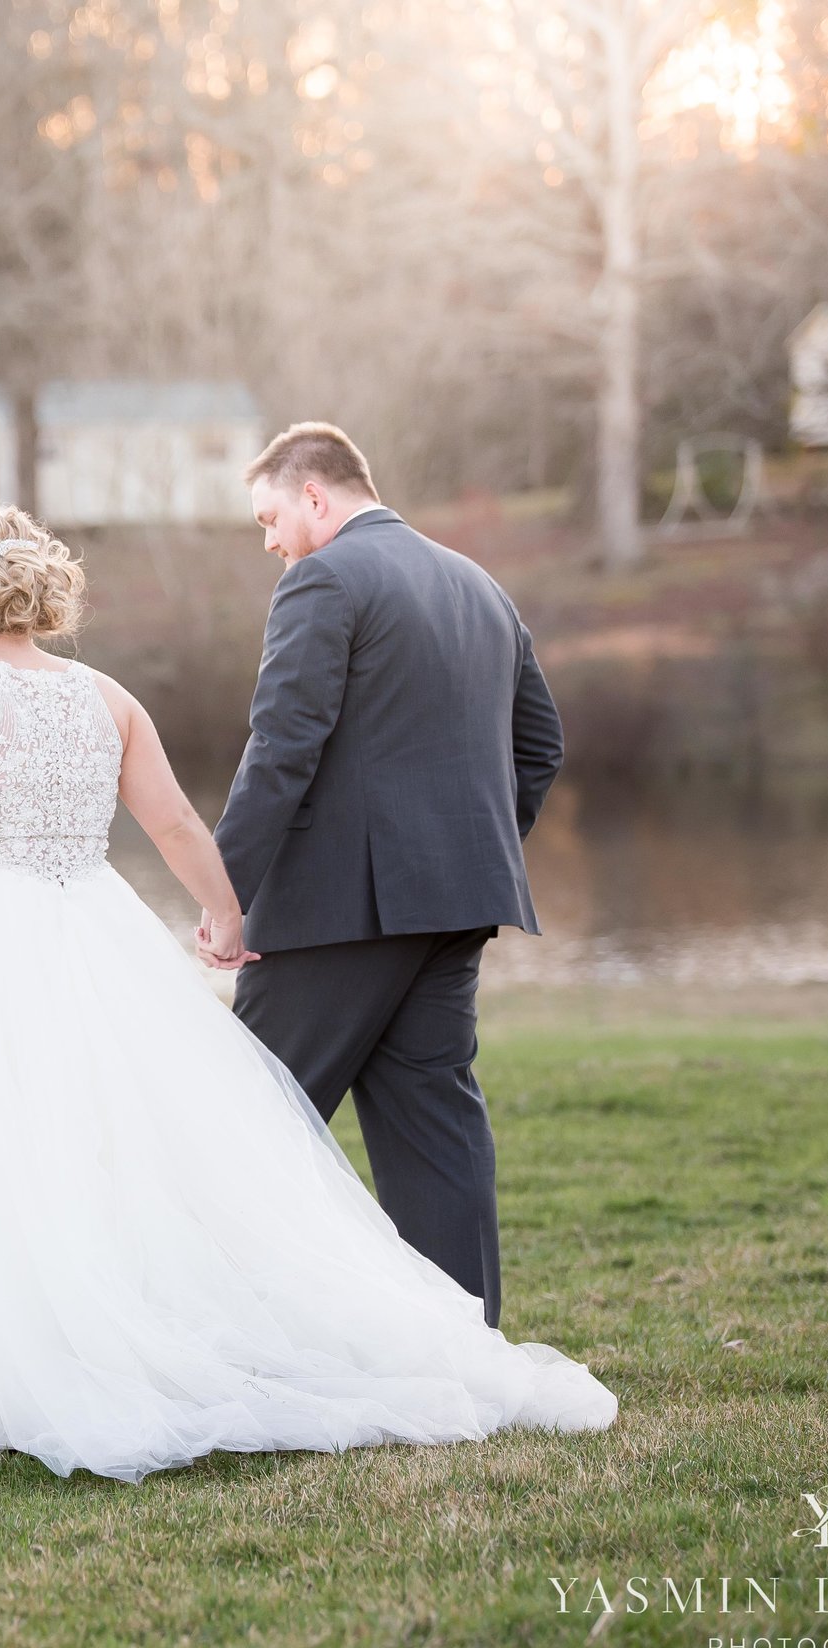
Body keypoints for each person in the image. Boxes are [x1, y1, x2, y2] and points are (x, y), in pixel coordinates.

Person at [0, 500, 611, 1484]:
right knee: (99, 1138)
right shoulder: (107, 696)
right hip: (94, 925)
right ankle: (88, 1334)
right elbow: (174, 827)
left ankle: (15, 1359)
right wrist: (224, 917)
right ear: (42, 592)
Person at [213, 423, 565, 1329]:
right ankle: (466, 1346)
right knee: (435, 1130)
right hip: (455, 909)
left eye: (271, 517)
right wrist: (469, 851)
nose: (270, 541)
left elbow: (282, 748)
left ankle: (220, 1339)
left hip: (337, 914)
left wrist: (225, 892)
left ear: (316, 497)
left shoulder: (322, 579)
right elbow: (542, 745)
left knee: (241, 1120)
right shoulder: (479, 585)